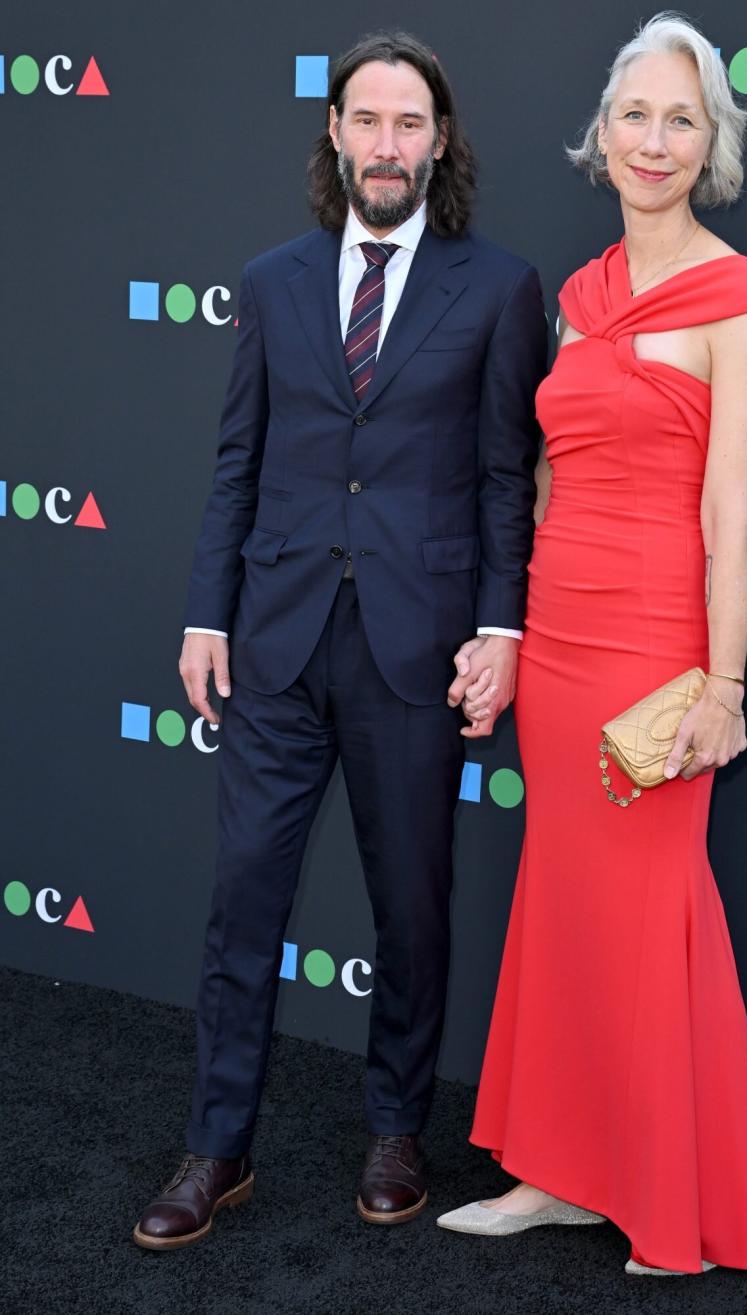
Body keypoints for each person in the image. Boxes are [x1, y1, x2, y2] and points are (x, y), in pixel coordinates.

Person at [132, 30, 546, 1250]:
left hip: (414, 648)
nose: (386, 144)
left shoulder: (502, 288)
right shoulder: (273, 280)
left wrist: (499, 625)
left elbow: (504, 480)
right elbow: (238, 461)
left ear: (439, 142)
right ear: (334, 134)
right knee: (244, 899)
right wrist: (208, 612)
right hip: (275, 640)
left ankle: (396, 1130)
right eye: (366, 120)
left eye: (408, 124)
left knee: (411, 907)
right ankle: (216, 1149)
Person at [438, 12, 747, 1277]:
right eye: (634, 115)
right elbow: (553, 479)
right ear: (600, 138)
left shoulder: (741, 300)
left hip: (658, 652)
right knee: (561, 905)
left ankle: (674, 1197)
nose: (653, 140)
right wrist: (505, 629)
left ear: (711, 142)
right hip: (554, 639)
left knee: (654, 908)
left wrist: (723, 685)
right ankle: (560, 1172)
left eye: (681, 118)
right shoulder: (582, 294)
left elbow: (733, 518)